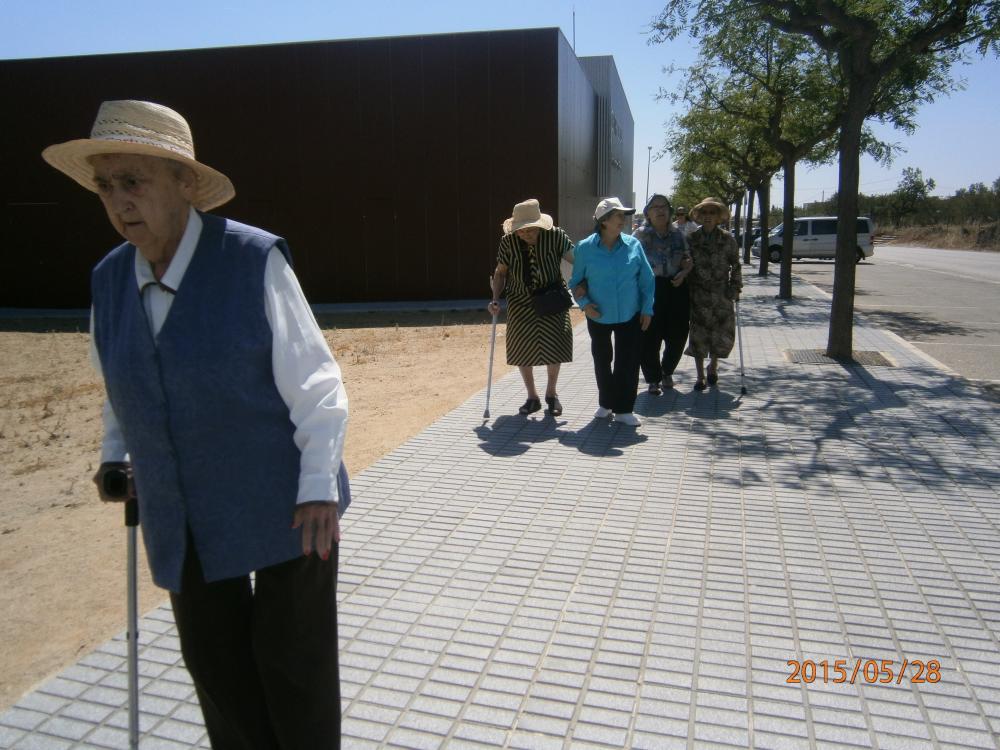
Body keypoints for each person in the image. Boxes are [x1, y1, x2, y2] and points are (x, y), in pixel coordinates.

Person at [42, 100, 349, 749]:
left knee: (293, 671)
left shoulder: (251, 259)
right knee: (217, 671)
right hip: (182, 508)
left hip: (288, 500)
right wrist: (116, 456)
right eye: (106, 186)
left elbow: (316, 380)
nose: (119, 201)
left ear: (184, 182)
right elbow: (120, 383)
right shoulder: (108, 280)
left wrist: (319, 485)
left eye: (134, 180)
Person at [569, 197, 654, 426]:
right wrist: (584, 304)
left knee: (628, 361)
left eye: (623, 215)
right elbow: (575, 282)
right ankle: (606, 403)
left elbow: (647, 279)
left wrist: (647, 308)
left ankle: (624, 409)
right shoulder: (584, 248)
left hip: (630, 314)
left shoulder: (633, 244)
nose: (623, 220)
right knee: (602, 360)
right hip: (598, 315)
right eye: (618, 215)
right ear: (604, 221)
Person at [489, 199, 575, 416]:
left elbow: (577, 260)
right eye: (521, 230)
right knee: (521, 349)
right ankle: (532, 397)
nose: (525, 234)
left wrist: (584, 282)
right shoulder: (508, 242)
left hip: (552, 298)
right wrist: (495, 298)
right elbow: (500, 272)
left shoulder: (555, 236)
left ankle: (551, 394)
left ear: (539, 225)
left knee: (556, 345)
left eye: (530, 230)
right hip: (520, 302)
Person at [633, 194, 692, 393]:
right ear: (647, 213)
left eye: (664, 206)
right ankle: (653, 378)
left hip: (676, 287)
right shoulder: (639, 236)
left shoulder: (679, 235)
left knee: (678, 334)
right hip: (650, 289)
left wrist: (684, 272)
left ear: (670, 210)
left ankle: (667, 371)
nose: (660, 210)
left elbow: (688, 260)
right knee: (649, 336)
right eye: (655, 207)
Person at [684, 197, 742, 391]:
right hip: (698, 294)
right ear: (699, 216)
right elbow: (685, 264)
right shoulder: (691, 239)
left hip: (721, 295)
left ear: (719, 217)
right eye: (705, 212)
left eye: (712, 212)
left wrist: (735, 287)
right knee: (698, 336)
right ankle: (700, 375)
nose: (708, 216)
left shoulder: (727, 239)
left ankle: (713, 366)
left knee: (720, 334)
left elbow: (736, 265)